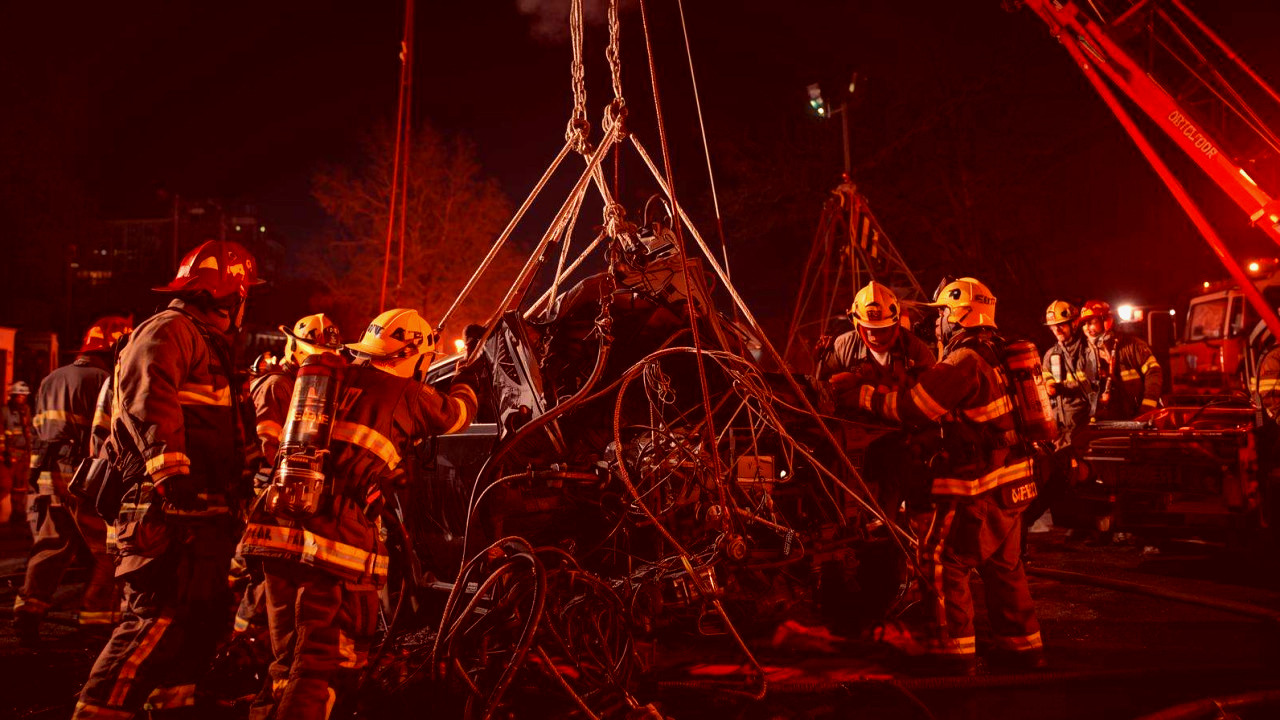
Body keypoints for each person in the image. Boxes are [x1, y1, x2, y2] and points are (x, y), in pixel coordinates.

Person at [239, 307, 478, 719]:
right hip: (330, 546)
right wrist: (469, 371)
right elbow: (457, 413)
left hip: (275, 530)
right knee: (321, 666)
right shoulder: (405, 393)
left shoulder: (333, 379)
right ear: (414, 355)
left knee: (286, 663)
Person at [75, 240, 263, 719]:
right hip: (168, 510)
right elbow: (149, 399)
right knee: (156, 619)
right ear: (232, 295)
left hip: (202, 512)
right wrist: (169, 471)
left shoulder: (206, 340)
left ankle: (172, 709)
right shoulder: (170, 330)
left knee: (194, 625)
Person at [843, 277, 1044, 673]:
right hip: (1014, 483)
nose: (936, 324)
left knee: (940, 559)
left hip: (977, 486)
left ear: (958, 315)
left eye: (941, 315)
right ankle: (1024, 648)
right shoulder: (1000, 352)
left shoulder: (964, 361)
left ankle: (951, 655)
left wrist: (861, 395)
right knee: (1004, 565)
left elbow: (913, 407)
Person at [12, 316, 131, 645]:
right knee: (108, 550)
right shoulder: (106, 380)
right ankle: (95, 619)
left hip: (48, 474)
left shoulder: (52, 378)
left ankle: (28, 610)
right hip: (84, 476)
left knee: (51, 545)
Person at [817, 280, 936, 392]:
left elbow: (930, 392)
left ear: (896, 323)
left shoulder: (915, 350)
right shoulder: (842, 347)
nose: (875, 337)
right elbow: (821, 391)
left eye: (883, 330)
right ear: (856, 324)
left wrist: (861, 384)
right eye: (869, 330)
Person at [1080, 300, 1162, 419]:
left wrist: (1147, 406)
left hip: (1139, 416)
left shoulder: (1132, 346)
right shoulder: (1084, 354)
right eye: (1084, 324)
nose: (1087, 328)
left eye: (1092, 322)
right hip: (1107, 421)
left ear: (1106, 322)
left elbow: (1154, 372)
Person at [1040, 300, 1094, 447]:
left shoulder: (1089, 350)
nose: (1056, 330)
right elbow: (1046, 381)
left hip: (1085, 429)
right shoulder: (1050, 355)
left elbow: (1092, 385)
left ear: (1075, 323)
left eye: (1061, 325)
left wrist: (1060, 387)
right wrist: (1047, 386)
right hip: (1059, 430)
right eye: (1052, 326)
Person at [1, 381, 32, 524]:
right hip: (8, 456)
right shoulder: (4, 412)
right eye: (19, 396)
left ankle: (18, 514)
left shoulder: (26, 410)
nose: (22, 398)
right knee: (5, 486)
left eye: (24, 396)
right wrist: (3, 454)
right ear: (12, 396)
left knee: (20, 486)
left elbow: (29, 432)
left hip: (23, 454)